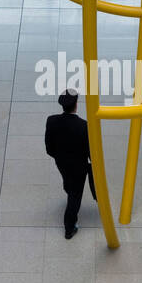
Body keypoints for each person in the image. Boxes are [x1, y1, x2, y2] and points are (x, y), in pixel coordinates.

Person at [45, 90, 96, 239]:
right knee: (75, 195)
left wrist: (60, 157)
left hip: (61, 163)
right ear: (76, 105)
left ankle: (69, 189)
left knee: (69, 184)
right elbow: (90, 151)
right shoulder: (84, 126)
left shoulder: (51, 120)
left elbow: (49, 147)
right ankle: (69, 227)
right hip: (78, 167)